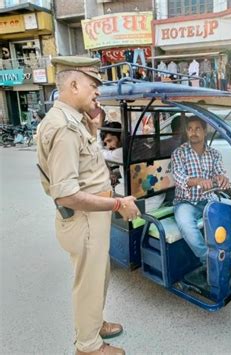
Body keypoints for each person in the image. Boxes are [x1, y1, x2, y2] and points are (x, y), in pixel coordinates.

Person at [36, 56, 140, 355]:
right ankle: (89, 346)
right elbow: (67, 193)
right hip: (83, 218)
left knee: (98, 276)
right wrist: (118, 202)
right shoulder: (65, 128)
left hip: (91, 217)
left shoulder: (75, 121)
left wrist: (94, 128)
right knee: (89, 281)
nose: (97, 92)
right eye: (93, 85)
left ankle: (93, 324)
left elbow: (86, 166)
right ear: (73, 84)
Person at [171, 116, 230, 265]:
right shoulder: (179, 153)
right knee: (187, 227)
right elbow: (178, 178)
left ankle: (227, 252)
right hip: (185, 202)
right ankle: (209, 261)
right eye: (190, 129)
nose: (193, 132)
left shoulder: (214, 154)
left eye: (197, 128)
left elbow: (219, 172)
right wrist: (198, 181)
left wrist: (221, 178)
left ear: (204, 131)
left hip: (209, 199)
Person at [99, 120, 166, 211]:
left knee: (112, 189)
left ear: (121, 136)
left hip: (146, 202)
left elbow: (99, 152)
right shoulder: (137, 142)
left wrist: (99, 124)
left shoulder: (121, 152)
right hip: (157, 194)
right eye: (105, 144)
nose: (108, 146)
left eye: (110, 141)